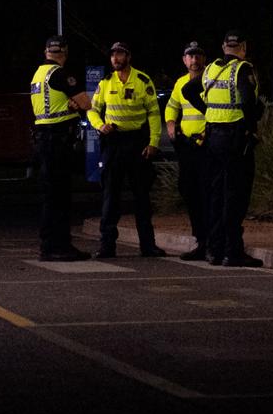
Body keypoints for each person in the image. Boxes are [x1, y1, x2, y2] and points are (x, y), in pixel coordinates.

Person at [86, 42, 167, 258]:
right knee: (110, 196)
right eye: (112, 55)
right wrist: (99, 125)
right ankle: (107, 246)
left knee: (142, 196)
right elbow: (92, 110)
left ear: (128, 57)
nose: (115, 59)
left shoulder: (142, 80)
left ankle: (148, 245)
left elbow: (153, 113)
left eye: (119, 54)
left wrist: (153, 142)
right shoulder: (105, 83)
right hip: (113, 143)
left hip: (137, 143)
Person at [192, 30, 264, 267]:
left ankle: (214, 250)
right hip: (235, 139)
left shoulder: (211, 69)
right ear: (242, 47)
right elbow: (247, 102)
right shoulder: (243, 69)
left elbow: (188, 91)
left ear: (224, 46)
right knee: (235, 196)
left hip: (213, 137)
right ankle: (232, 252)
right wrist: (252, 126)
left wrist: (210, 111)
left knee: (215, 195)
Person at [31, 35, 93, 262]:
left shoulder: (39, 74)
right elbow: (86, 103)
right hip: (57, 141)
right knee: (59, 197)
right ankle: (56, 247)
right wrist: (77, 103)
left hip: (44, 140)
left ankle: (55, 244)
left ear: (46, 52)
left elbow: (57, 102)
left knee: (51, 196)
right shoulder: (60, 74)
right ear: (64, 53)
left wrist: (70, 104)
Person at [165, 41, 210, 261]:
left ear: (204, 59)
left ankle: (211, 241)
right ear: (184, 60)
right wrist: (172, 125)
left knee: (207, 194)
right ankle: (200, 240)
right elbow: (172, 106)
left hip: (207, 146)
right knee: (189, 192)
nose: (194, 60)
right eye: (190, 56)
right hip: (187, 146)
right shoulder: (180, 83)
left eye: (198, 56)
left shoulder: (211, 80)